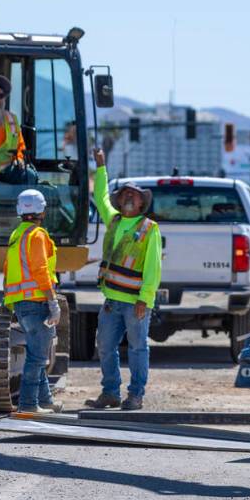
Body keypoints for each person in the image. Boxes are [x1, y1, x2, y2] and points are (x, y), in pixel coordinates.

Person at [84, 147, 162, 411]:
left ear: (142, 203)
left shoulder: (149, 229)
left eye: (134, 194)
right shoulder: (114, 221)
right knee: (105, 347)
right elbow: (100, 194)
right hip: (111, 301)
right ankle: (110, 393)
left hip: (135, 302)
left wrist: (145, 298)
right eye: (125, 193)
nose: (129, 196)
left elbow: (154, 267)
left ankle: (136, 395)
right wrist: (101, 165)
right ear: (119, 202)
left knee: (138, 349)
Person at [2, 189, 62, 414]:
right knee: (37, 357)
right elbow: (40, 269)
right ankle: (28, 404)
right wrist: (52, 300)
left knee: (37, 353)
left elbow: (8, 269)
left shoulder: (17, 234)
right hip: (37, 302)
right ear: (43, 212)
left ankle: (44, 400)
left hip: (21, 303)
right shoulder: (37, 235)